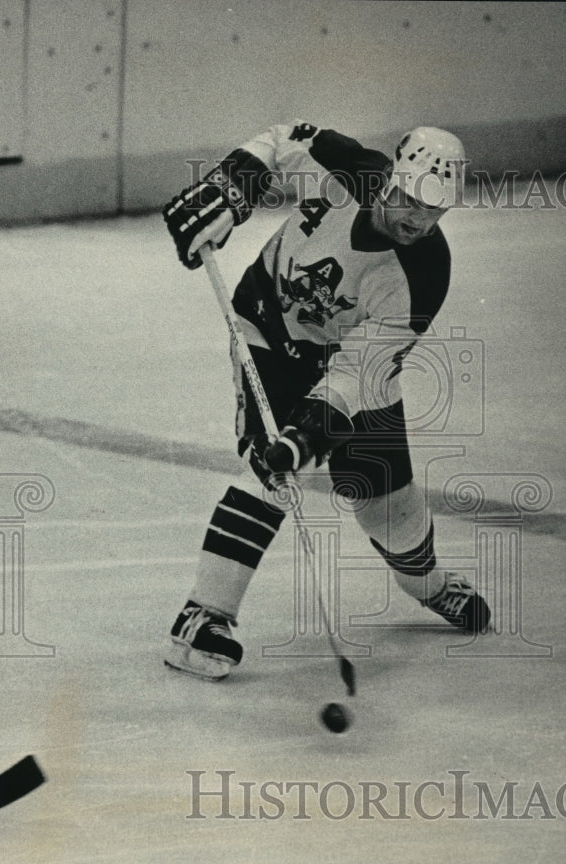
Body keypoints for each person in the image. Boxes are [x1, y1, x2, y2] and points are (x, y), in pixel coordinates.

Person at [162, 121, 490, 681]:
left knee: (388, 506)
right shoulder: (351, 168)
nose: (417, 219)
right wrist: (231, 189)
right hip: (268, 329)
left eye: (433, 212)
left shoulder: (424, 273)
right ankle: (201, 619)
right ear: (391, 179)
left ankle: (431, 585)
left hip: (354, 372)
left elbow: (359, 373)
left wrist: (309, 434)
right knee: (270, 468)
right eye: (409, 199)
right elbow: (288, 136)